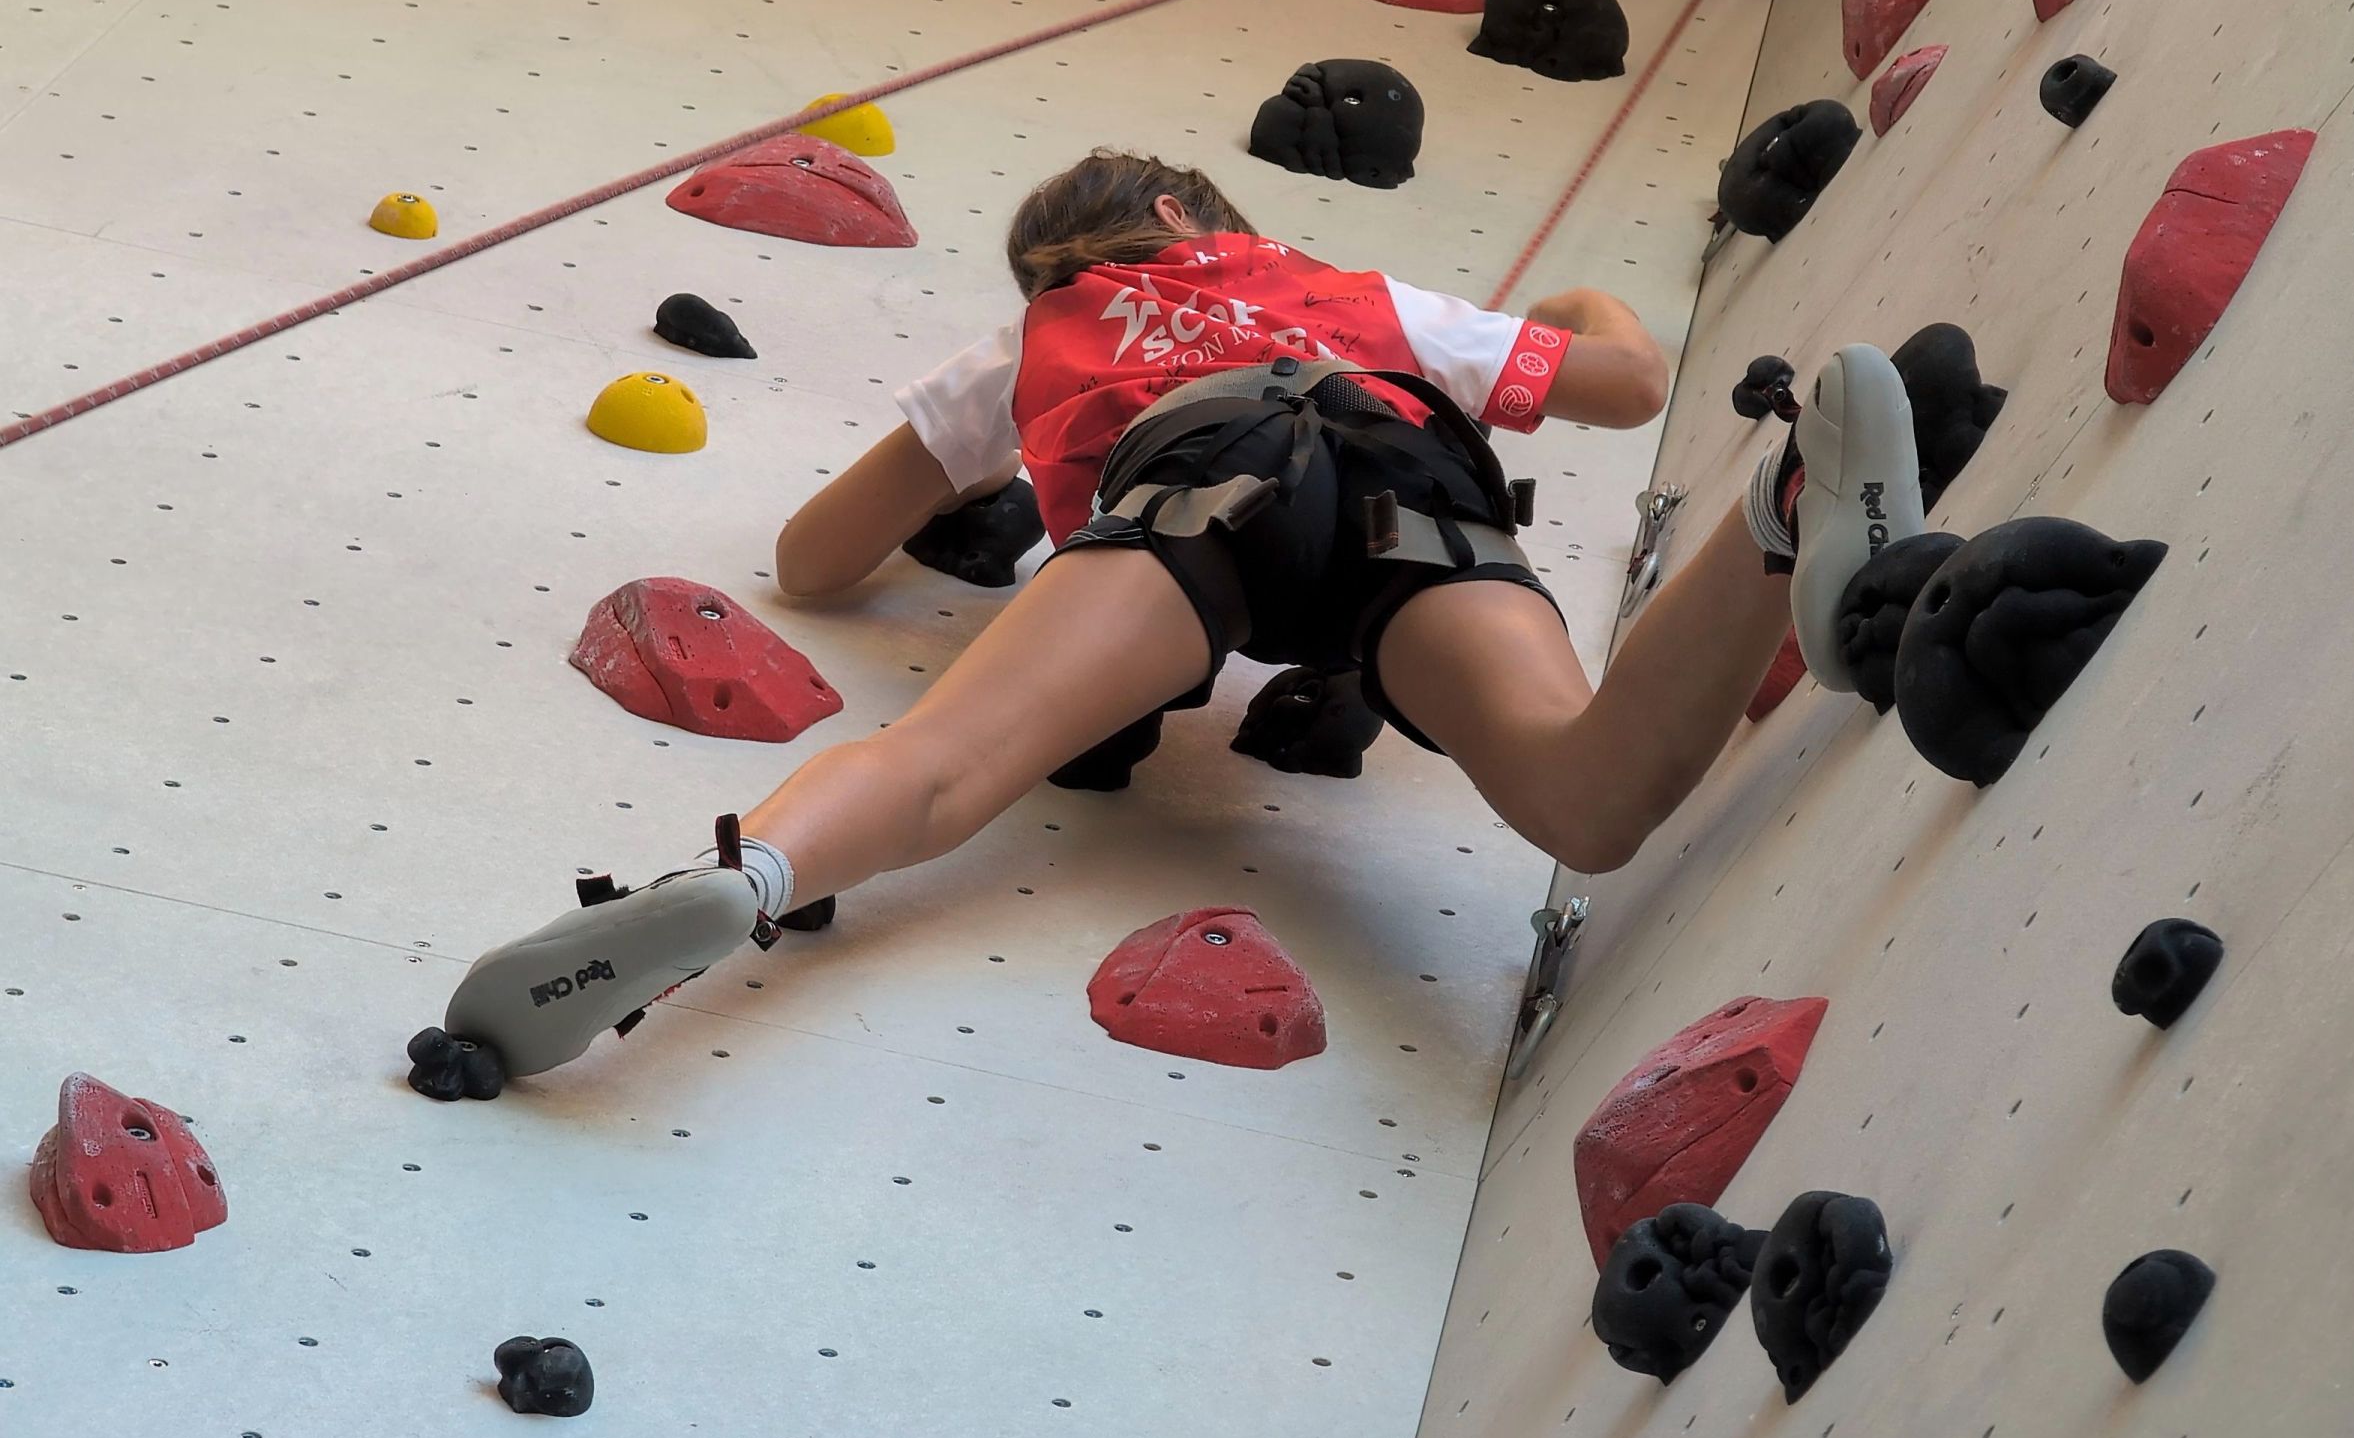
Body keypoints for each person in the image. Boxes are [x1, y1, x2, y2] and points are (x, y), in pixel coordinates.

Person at [409, 150, 1922, 1095]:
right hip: (1404, 484)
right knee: (1582, 798)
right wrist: (1588, 302)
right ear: (1188, 213)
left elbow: (813, 561)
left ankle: (746, 879)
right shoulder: (1350, 291)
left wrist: (988, 468)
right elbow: (1628, 387)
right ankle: (1782, 508)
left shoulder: (1038, 333)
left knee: (935, 769)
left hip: (1192, 489)